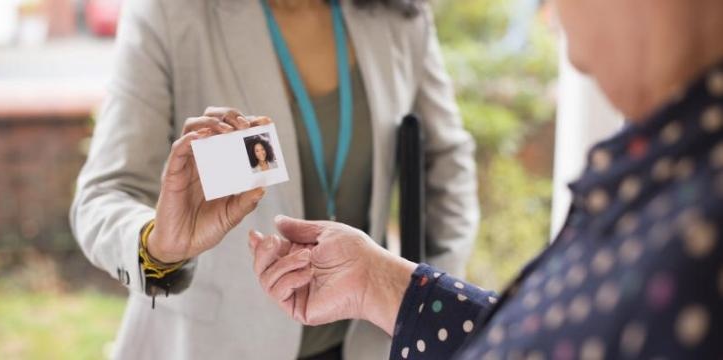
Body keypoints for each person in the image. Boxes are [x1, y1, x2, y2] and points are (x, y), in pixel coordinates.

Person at [250, 0, 723, 358]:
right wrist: (378, 281)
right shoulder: (662, 173)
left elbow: (450, 161)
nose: (553, 18)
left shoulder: (696, 228)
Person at [69, 0, 479, 358]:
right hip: (210, 345)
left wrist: (421, 304)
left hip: (369, 345)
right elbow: (106, 194)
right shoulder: (170, 11)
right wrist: (160, 247)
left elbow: (448, 162)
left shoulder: (400, 14)